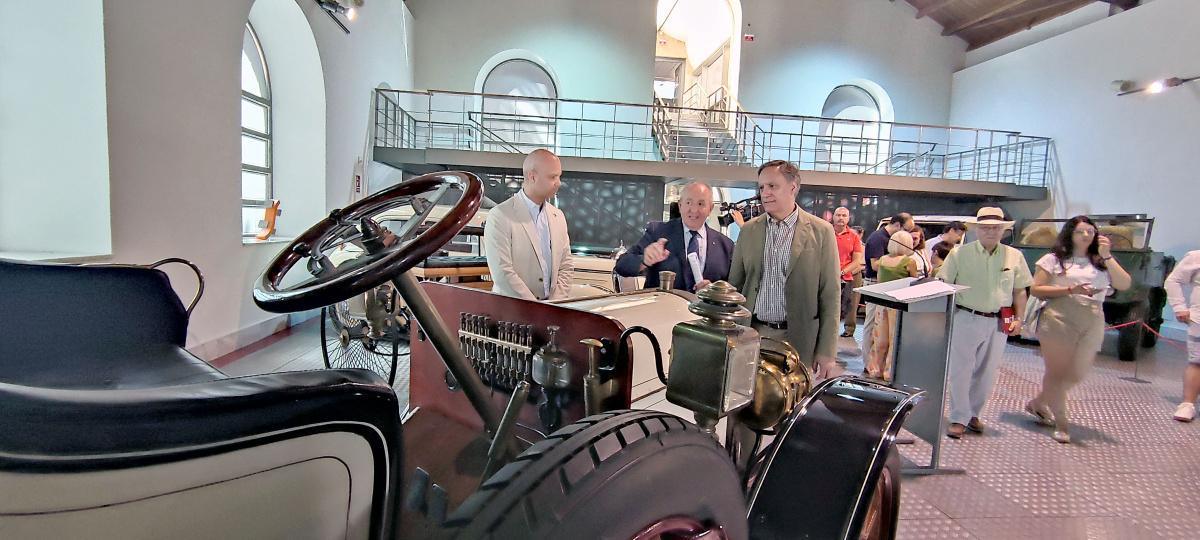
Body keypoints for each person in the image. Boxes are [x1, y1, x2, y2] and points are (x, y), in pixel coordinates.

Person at [729, 160, 842, 378]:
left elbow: (830, 295)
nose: (765, 193)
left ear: (793, 187)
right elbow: (735, 286)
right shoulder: (749, 231)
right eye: (761, 187)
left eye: (773, 186)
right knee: (744, 407)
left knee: (791, 407)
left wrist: (827, 351)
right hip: (752, 335)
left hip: (798, 340)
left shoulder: (822, 232)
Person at [1026, 216, 1131, 443]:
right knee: (1057, 371)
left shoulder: (1101, 261)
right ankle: (1061, 422)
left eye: (1090, 232)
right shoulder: (1053, 259)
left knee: (1077, 372)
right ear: (1070, 234)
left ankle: (1038, 403)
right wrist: (1071, 289)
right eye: (1080, 232)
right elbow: (1036, 289)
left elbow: (1124, 284)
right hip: (1059, 315)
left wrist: (1107, 256)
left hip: (1093, 316)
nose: (1086, 236)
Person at [937, 207, 1033, 439]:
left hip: (998, 321)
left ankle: (974, 414)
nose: (991, 232)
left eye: (996, 228)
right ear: (976, 230)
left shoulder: (1014, 256)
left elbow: (1020, 290)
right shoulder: (959, 254)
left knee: (987, 372)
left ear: (1003, 230)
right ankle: (958, 417)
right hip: (966, 317)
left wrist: (1020, 319)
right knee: (960, 370)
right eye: (986, 227)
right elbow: (944, 284)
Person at [483, 149, 573, 301]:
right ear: (532, 176)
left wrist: (554, 304)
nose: (558, 183)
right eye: (553, 177)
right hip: (512, 313)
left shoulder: (558, 217)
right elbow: (503, 273)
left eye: (559, 176)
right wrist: (536, 308)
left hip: (552, 311)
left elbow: (566, 266)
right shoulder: (500, 215)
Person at [615, 182, 734, 291]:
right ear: (680, 205)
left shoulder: (726, 245)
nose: (694, 210)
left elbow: (733, 288)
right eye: (688, 203)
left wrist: (715, 292)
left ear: (710, 208)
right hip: (663, 311)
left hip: (704, 313)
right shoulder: (658, 232)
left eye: (701, 204)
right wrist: (644, 261)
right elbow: (621, 266)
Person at [867, 230, 920, 381]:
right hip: (898, 306)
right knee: (894, 339)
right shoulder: (909, 262)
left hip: (881, 303)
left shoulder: (882, 260)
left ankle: (876, 368)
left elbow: (879, 281)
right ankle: (889, 372)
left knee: (879, 339)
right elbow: (913, 282)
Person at [861, 213, 912, 366]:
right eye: (906, 229)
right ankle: (867, 363)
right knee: (872, 325)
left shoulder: (888, 240)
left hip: (887, 286)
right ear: (897, 225)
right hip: (875, 284)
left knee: (883, 328)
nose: (907, 234)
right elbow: (876, 264)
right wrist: (897, 263)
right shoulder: (878, 238)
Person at [1167, 250, 1200, 422]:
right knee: (1197, 362)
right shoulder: (1196, 257)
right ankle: (1188, 404)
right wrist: (1179, 307)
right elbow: (1173, 280)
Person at [832, 207, 865, 338]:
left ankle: (849, 329)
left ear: (848, 218)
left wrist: (842, 271)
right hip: (829, 274)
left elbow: (857, 260)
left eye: (844, 215)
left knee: (851, 304)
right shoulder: (826, 232)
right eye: (838, 215)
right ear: (833, 217)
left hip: (850, 274)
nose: (841, 218)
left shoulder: (854, 237)